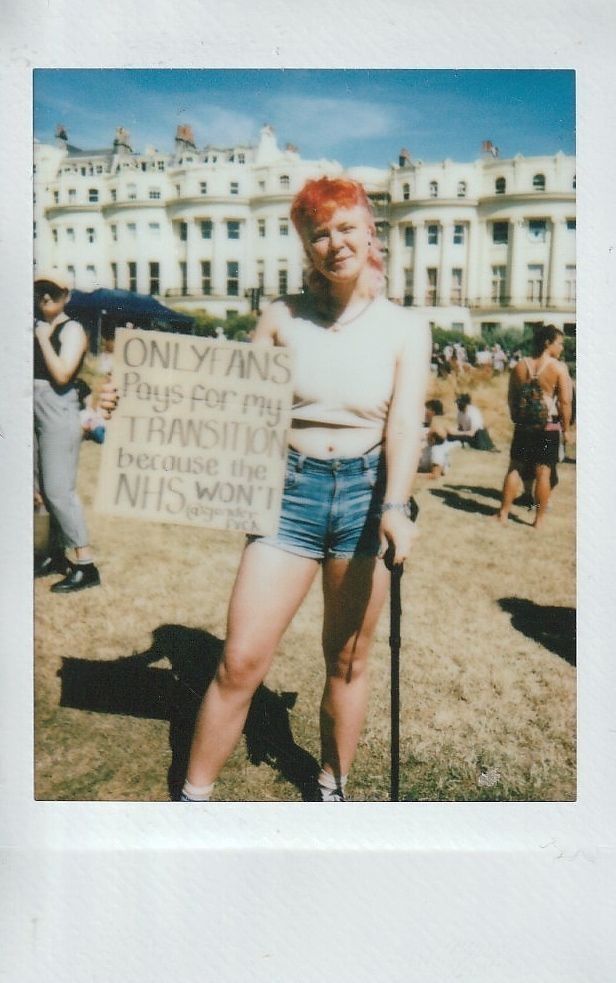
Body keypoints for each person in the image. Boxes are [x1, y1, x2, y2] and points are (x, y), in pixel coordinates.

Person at [168, 177, 430, 802]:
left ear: (370, 233)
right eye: (319, 234)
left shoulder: (405, 328)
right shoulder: (280, 317)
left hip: (366, 500)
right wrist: (133, 400)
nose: (333, 243)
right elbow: (233, 406)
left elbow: (403, 423)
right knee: (240, 662)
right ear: (307, 247)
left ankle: (331, 787)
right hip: (288, 496)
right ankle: (191, 799)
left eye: (345, 228)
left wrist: (395, 504)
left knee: (346, 660)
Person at [33, 272, 101, 592]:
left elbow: (62, 374)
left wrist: (45, 338)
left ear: (66, 295)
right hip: (33, 411)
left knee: (60, 491)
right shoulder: (34, 327)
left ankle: (85, 565)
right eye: (39, 291)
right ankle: (54, 555)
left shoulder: (71, 329)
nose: (45, 297)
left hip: (59, 412)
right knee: (42, 492)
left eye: (52, 291)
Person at [495, 325, 572, 529]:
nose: (562, 347)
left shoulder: (521, 365)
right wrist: (566, 428)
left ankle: (503, 513)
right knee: (544, 472)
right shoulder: (558, 368)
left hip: (524, 424)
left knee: (515, 467)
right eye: (560, 343)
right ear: (548, 343)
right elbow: (565, 402)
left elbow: (512, 396)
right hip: (549, 425)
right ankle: (539, 519)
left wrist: (516, 417)